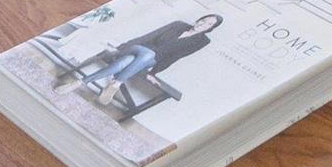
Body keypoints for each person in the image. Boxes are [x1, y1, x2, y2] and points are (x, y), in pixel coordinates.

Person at [66, 13, 223, 115]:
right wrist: (122, 47)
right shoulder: (179, 24)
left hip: (152, 60)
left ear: (211, 29)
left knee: (124, 64)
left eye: (208, 24)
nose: (203, 23)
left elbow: (176, 56)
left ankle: (80, 82)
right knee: (144, 54)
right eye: (204, 19)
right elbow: (149, 36)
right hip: (141, 48)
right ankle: (115, 84)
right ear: (199, 18)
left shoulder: (202, 41)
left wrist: (153, 73)